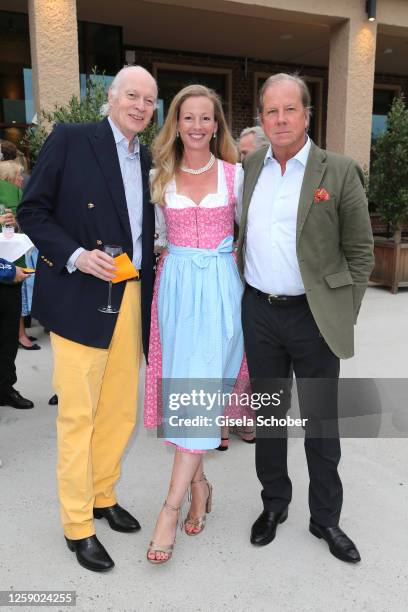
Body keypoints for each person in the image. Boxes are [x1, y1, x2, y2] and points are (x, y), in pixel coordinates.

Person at [17, 65, 157, 572]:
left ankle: (103, 495)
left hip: (131, 294)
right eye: (132, 96)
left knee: (119, 410)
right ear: (112, 97)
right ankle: (78, 525)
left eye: (149, 100)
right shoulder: (72, 140)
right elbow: (32, 211)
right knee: (78, 416)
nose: (141, 106)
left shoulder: (146, 157)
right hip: (81, 294)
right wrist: (75, 254)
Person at [237, 73, 374, 563]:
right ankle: (274, 504)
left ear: (307, 114)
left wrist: (341, 310)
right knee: (269, 417)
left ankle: (326, 519)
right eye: (270, 111)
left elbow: (360, 253)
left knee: (320, 421)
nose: (279, 119)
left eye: (288, 109)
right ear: (262, 116)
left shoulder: (337, 170)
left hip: (314, 317)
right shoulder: (250, 166)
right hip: (260, 312)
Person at [144, 84, 249, 564]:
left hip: (222, 291)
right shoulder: (159, 176)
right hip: (177, 291)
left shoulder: (235, 175)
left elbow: (250, 232)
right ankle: (200, 486)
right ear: (177, 122)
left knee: (201, 392)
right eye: (189, 117)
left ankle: (170, 509)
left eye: (207, 118)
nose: (198, 126)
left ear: (217, 124)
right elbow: (158, 238)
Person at [0, 158, 40, 350]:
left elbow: (16, 226)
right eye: (17, 176)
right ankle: (20, 334)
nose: (21, 179)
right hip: (9, 259)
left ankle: (21, 333)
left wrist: (13, 223)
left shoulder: (15, 195)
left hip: (15, 251)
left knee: (19, 294)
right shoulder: (7, 195)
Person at [0, 256, 34, 410]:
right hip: (7, 271)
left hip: (8, 280)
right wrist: (8, 271)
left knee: (8, 338)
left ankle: (5, 389)